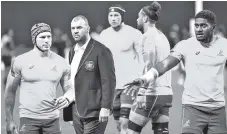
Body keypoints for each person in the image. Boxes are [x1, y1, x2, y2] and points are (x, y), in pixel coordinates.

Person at [126, 10, 227, 134]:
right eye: (196, 25)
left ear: (213, 27)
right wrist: (144, 79)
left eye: (203, 26)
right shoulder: (185, 45)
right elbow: (164, 65)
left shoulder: (224, 45)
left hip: (218, 109)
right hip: (193, 108)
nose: (199, 29)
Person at [4, 22, 74, 134]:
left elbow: (70, 89)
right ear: (34, 39)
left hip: (52, 121)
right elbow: (10, 92)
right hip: (28, 120)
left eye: (49, 37)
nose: (46, 40)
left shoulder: (61, 62)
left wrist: (67, 99)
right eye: (42, 37)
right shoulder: (20, 61)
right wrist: (9, 120)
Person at [123, 2, 172, 134]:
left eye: (138, 17)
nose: (137, 19)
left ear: (145, 18)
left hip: (152, 93)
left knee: (131, 131)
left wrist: (142, 91)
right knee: (160, 131)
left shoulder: (147, 36)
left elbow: (149, 64)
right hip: (166, 95)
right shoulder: (163, 37)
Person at [62, 15, 116, 134]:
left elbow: (109, 81)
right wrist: (69, 111)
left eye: (79, 27)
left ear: (88, 28)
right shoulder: (72, 52)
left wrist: (106, 107)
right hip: (76, 110)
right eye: (73, 28)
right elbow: (71, 82)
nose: (75, 31)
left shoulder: (101, 50)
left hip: (94, 111)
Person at [99, 4, 143, 134]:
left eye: (116, 15)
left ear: (122, 17)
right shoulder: (104, 35)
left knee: (125, 122)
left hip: (129, 85)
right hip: (112, 87)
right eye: (111, 15)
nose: (113, 18)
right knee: (119, 124)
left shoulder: (134, 33)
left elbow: (142, 58)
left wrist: (140, 80)